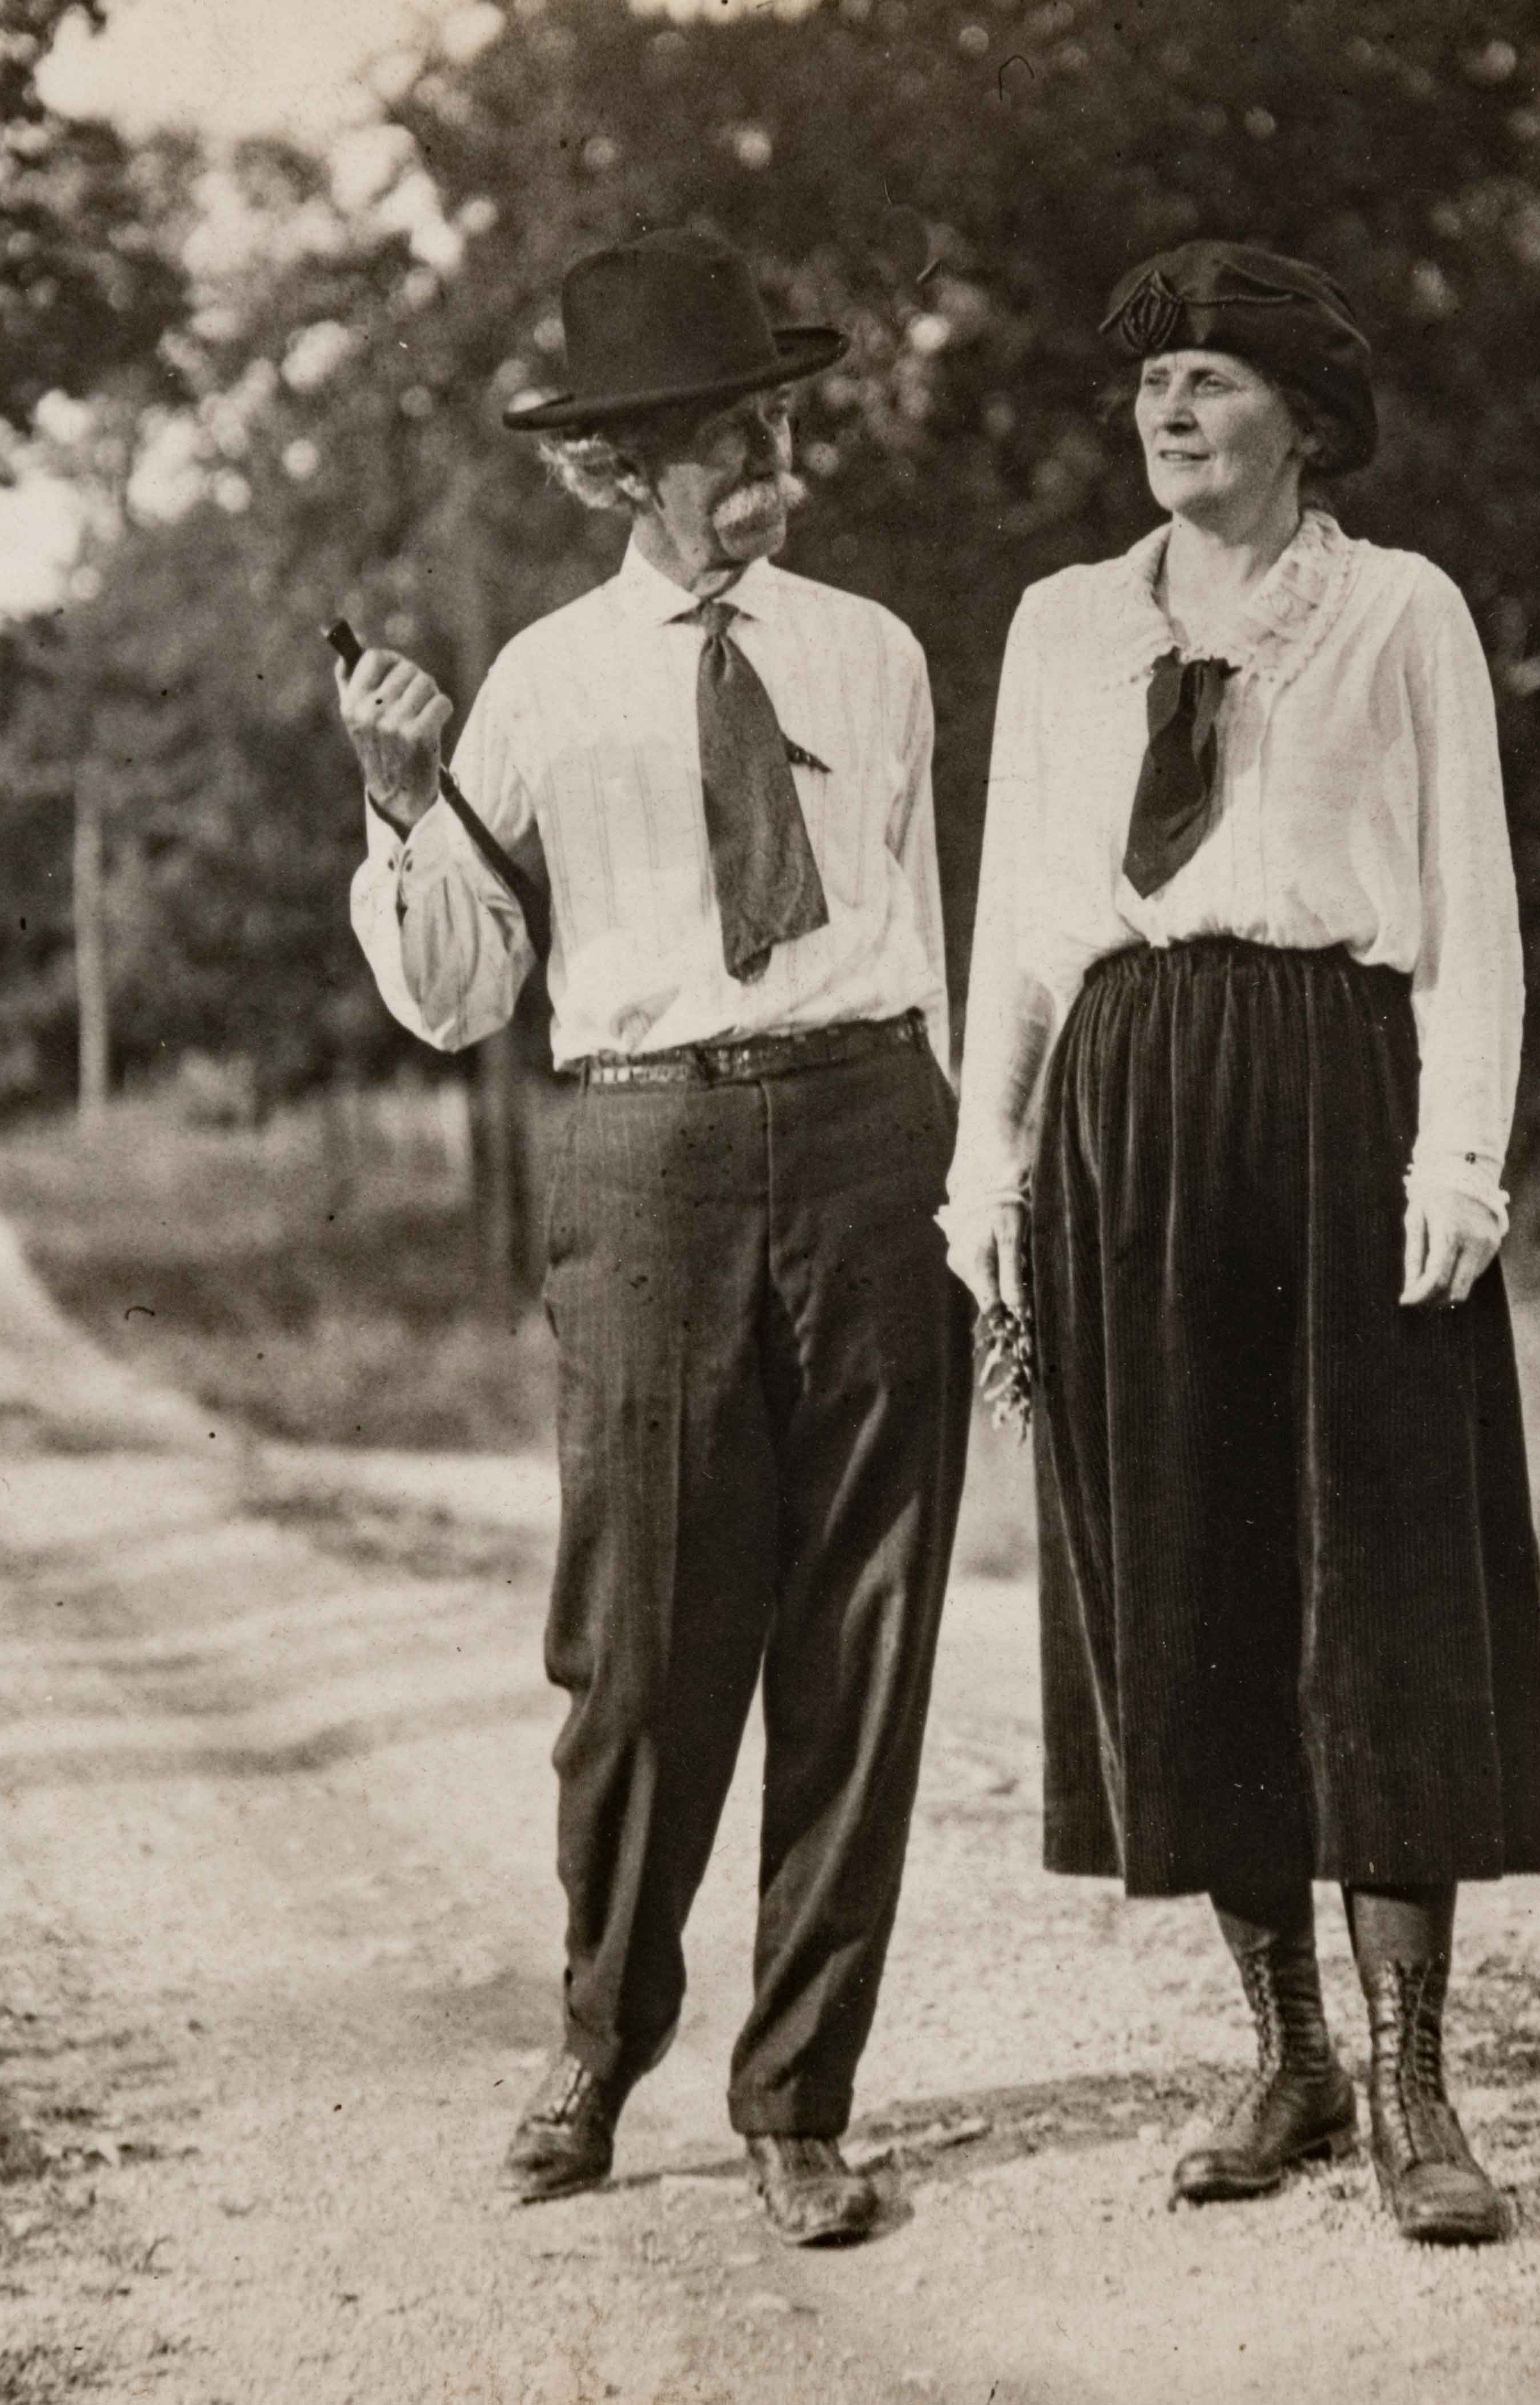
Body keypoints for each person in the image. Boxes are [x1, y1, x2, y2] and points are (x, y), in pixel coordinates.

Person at [333, 227, 969, 2250]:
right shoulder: (535, 686)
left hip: (874, 1132)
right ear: (614, 471)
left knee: (861, 1637)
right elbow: (458, 993)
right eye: (719, 438)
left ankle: (800, 2096)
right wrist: (405, 808)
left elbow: (930, 940)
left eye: (780, 422)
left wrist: (977, 1195)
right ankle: (603, 2041)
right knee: (635, 1650)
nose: (768, 465)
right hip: (647, 1159)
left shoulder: (871, 651)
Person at [940, 239, 1540, 2245]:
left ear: (1304, 413)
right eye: (1148, 386)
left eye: (1210, 379)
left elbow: (1469, 903)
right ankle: (1285, 2046)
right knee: (1187, 1567)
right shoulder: (1056, 629)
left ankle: (1413, 2083)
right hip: (1125, 1098)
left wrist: (1458, 1154)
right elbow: (1019, 928)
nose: (1169, 414)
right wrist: (990, 1172)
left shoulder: (1397, 614)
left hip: (1335, 1083)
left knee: (1374, 1568)